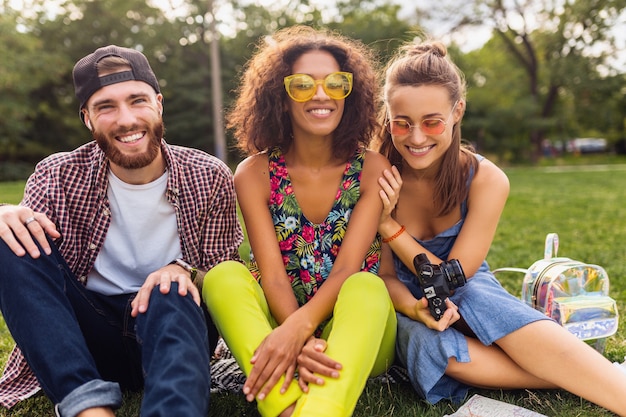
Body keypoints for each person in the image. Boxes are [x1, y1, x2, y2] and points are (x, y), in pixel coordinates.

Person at [375, 39, 626, 415]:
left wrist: (388, 226)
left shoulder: (485, 178)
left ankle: (612, 389)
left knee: (480, 300)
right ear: (388, 115)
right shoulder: (375, 173)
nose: (416, 137)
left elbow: (454, 279)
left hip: (466, 287)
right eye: (402, 123)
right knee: (432, 349)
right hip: (402, 301)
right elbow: (384, 277)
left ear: (457, 111)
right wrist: (413, 308)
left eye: (432, 122)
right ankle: (580, 367)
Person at [0, 45, 243, 417]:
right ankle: (89, 407)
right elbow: (31, 269)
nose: (126, 119)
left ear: (158, 104)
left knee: (171, 290)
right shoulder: (58, 174)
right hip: (87, 338)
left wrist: (184, 271)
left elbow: (226, 280)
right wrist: (4, 214)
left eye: (137, 100)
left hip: (173, 329)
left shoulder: (209, 175)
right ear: (87, 118)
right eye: (106, 107)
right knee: (10, 236)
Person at [202, 25, 397, 417]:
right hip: (279, 327)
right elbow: (272, 277)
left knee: (366, 285)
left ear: (350, 92)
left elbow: (345, 269)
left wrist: (299, 332)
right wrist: (293, 334)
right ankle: (294, 409)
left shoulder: (373, 169)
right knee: (221, 276)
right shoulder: (253, 173)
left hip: (358, 331)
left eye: (335, 83)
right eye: (303, 85)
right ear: (280, 95)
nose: (321, 95)